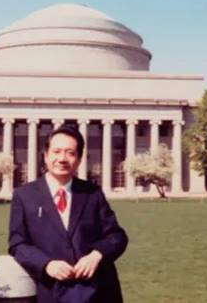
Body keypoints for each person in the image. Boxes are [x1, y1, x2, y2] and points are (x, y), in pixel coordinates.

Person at [9, 125, 128, 303]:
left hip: (98, 292)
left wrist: (97, 255)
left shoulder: (92, 193)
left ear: (79, 159)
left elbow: (116, 236)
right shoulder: (24, 195)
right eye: (56, 151)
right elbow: (17, 244)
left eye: (70, 153)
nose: (62, 159)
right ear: (46, 155)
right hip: (51, 292)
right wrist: (46, 264)